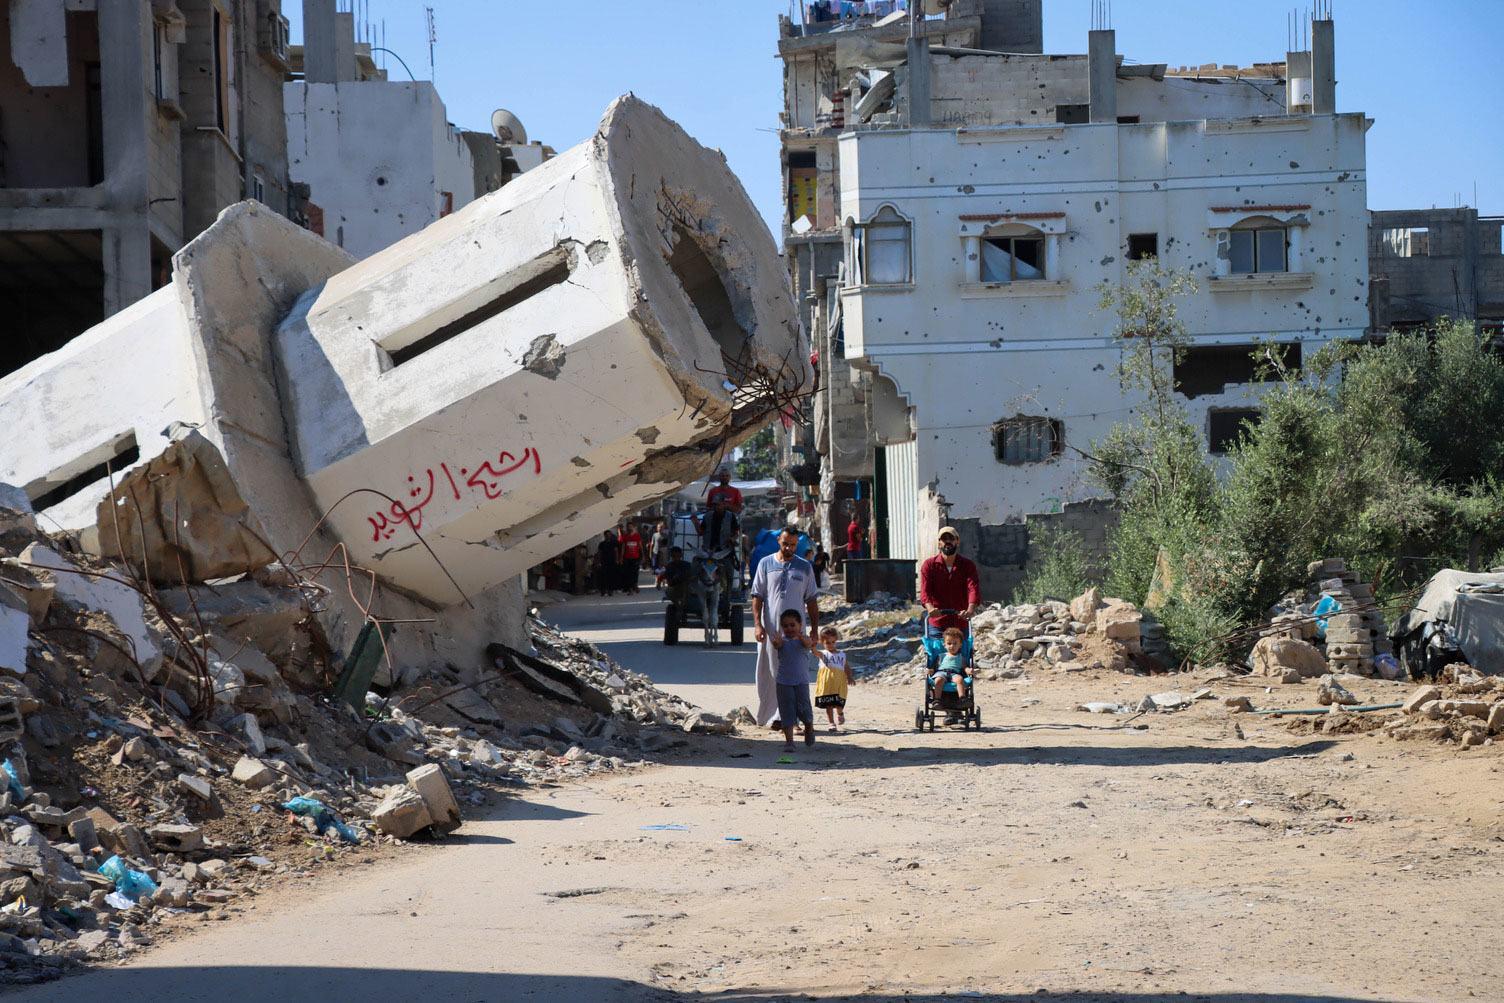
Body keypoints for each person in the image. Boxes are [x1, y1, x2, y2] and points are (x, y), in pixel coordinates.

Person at [750, 526, 820, 728]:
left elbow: (812, 601)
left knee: (795, 673)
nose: (789, 548)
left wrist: (814, 630)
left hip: (796, 633)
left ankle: (791, 718)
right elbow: (757, 597)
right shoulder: (765, 564)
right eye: (785, 543)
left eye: (793, 545)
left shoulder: (805, 567)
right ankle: (774, 715)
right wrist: (758, 625)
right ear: (778, 541)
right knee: (770, 672)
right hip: (772, 631)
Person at [920, 526, 982, 634]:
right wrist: (930, 608)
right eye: (944, 539)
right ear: (939, 543)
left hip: (960, 621)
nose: (948, 542)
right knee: (936, 650)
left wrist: (970, 610)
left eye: (951, 539)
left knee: (964, 650)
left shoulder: (967, 565)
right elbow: (925, 591)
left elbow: (973, 588)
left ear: (957, 542)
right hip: (938, 622)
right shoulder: (929, 565)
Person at [770, 608, 816, 751]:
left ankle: (809, 727)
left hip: (801, 682)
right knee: (787, 711)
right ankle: (789, 741)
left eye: (792, 625)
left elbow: (809, 644)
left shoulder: (803, 641)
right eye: (785, 626)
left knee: (804, 709)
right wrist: (776, 641)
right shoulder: (782, 642)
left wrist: (804, 639)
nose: (789, 628)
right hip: (783, 683)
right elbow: (777, 645)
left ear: (800, 625)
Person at [814, 625, 853, 732]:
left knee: (838, 703)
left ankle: (840, 713)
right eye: (827, 643)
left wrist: (849, 677)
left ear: (836, 641)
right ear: (822, 642)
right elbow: (815, 652)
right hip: (827, 684)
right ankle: (831, 723)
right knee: (829, 704)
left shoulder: (842, 655)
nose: (831, 645)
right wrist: (812, 644)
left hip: (839, 684)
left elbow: (846, 667)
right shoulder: (823, 654)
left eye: (833, 642)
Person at [930, 626, 969, 704]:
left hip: (954, 673)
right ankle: (937, 699)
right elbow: (934, 667)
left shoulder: (961, 657)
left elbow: (965, 667)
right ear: (944, 645)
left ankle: (962, 698)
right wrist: (930, 670)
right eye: (949, 643)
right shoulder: (941, 655)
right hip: (941, 672)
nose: (952, 646)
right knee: (938, 680)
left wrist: (968, 670)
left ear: (960, 645)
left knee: (960, 679)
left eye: (955, 643)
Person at [618, 521, 644, 594]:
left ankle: (635, 585)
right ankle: (630, 589)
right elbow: (623, 547)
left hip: (635, 557)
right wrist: (621, 558)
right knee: (628, 573)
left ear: (633, 527)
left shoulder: (637, 536)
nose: (629, 528)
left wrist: (643, 556)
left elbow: (640, 546)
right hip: (627, 558)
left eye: (630, 526)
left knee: (635, 573)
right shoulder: (625, 536)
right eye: (628, 527)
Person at [595, 530, 619, 596]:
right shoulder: (602, 544)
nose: (608, 536)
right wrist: (599, 562)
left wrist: (617, 560)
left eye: (609, 534)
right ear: (605, 535)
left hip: (612, 561)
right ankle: (603, 590)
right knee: (603, 576)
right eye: (607, 535)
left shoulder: (613, 543)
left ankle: (610, 590)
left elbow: (616, 551)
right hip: (604, 562)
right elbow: (599, 553)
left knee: (611, 576)